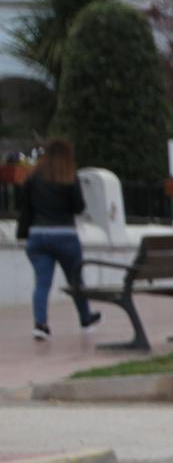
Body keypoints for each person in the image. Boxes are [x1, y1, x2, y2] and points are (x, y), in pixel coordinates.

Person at [18, 139, 103, 340]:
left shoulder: (33, 177)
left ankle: (41, 324)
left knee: (42, 283)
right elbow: (79, 207)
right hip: (65, 236)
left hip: (38, 236)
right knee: (75, 280)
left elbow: (24, 207)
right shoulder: (69, 177)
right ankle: (85, 317)